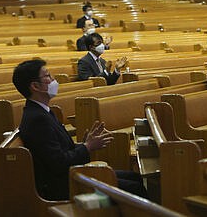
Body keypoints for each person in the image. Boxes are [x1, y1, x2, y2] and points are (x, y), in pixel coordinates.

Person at [13, 59, 145, 200]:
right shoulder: (37, 119)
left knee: (135, 177)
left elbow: (59, 151)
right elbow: (58, 164)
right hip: (65, 186)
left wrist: (84, 144)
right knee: (134, 188)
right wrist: (87, 147)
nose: (53, 80)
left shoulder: (43, 111)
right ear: (35, 86)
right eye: (48, 76)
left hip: (70, 175)